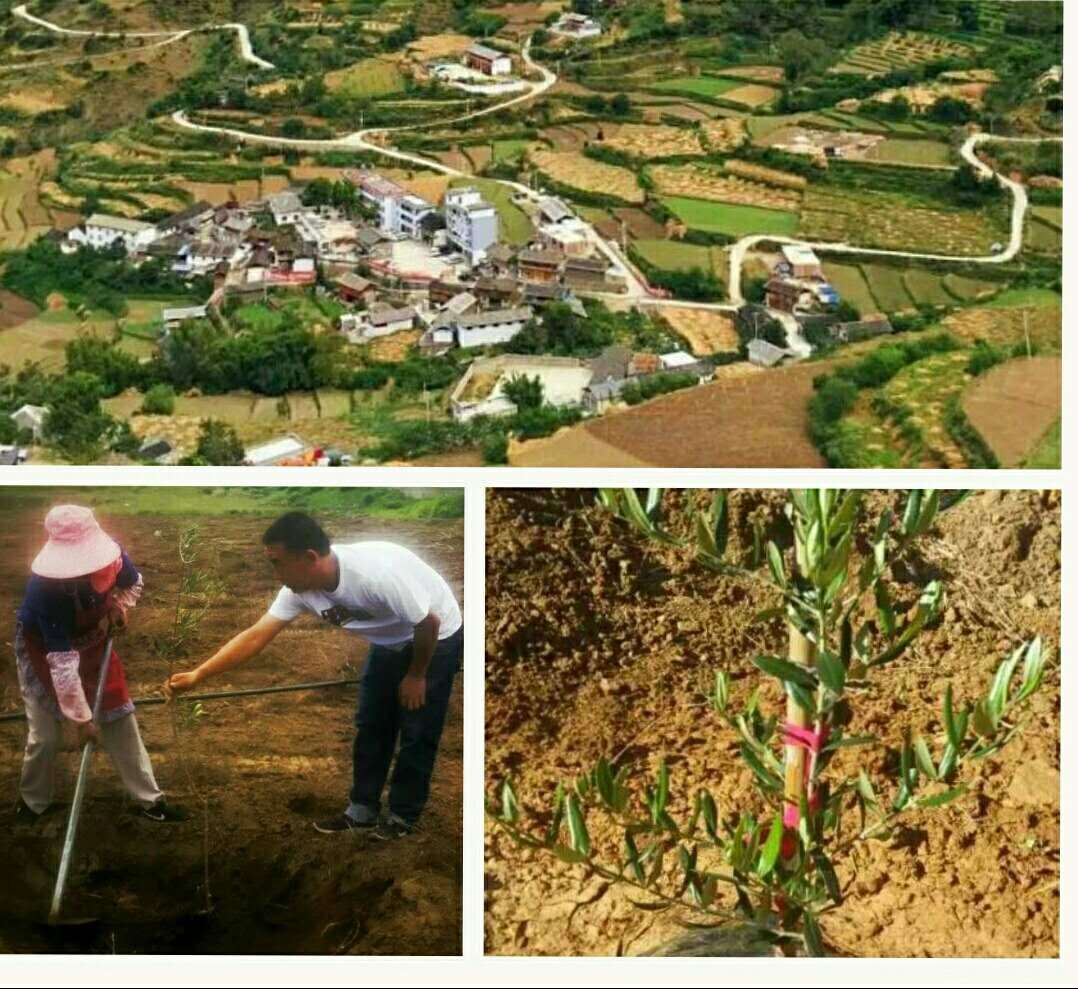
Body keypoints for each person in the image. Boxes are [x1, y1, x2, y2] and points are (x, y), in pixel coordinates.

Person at [165, 511, 463, 840]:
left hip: (435, 638)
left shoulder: (375, 576)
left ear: (309, 557)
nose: (275, 574)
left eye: (278, 563)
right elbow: (255, 636)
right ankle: (361, 810)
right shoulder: (299, 589)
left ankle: (402, 817)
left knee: (417, 729)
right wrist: (198, 674)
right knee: (371, 723)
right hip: (388, 641)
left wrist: (417, 675)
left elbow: (429, 622)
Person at [14, 504, 187, 824]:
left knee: (121, 719)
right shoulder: (45, 590)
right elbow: (62, 665)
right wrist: (81, 720)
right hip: (44, 651)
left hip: (95, 641)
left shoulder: (114, 558)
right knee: (45, 736)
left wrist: (118, 607)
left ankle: (150, 800)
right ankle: (33, 800)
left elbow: (134, 582)